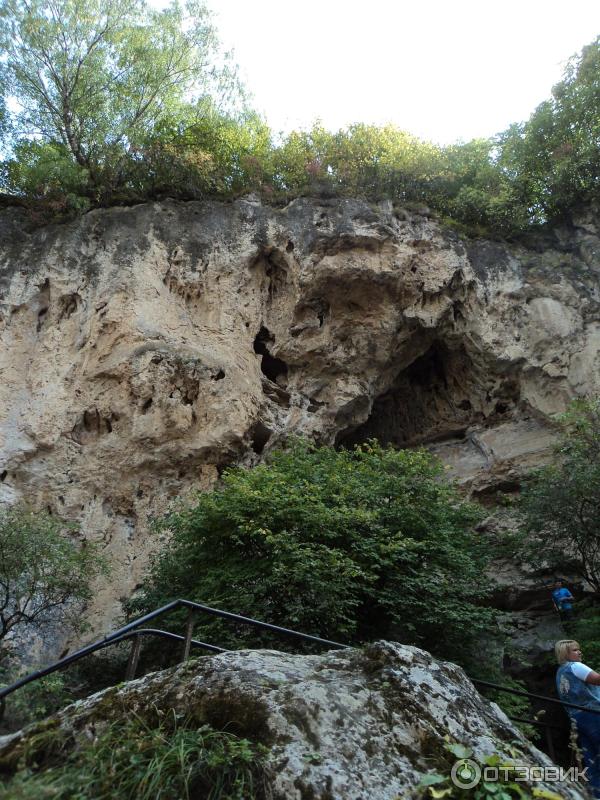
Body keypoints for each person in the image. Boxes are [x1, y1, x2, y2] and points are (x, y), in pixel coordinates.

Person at [555, 639, 600, 798]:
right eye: (575, 650)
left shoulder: (560, 672)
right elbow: (597, 679)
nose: (579, 652)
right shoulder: (575, 666)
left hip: (576, 718)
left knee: (592, 759)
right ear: (565, 653)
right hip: (593, 714)